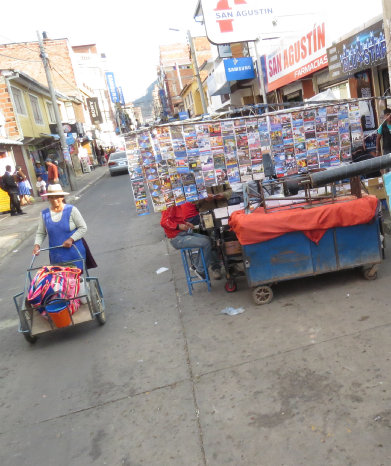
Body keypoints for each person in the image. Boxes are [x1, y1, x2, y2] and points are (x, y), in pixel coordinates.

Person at [160, 202, 222, 280]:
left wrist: (186, 223)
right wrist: (178, 226)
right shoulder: (170, 206)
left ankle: (196, 265)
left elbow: (175, 219)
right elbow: (164, 222)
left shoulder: (177, 205)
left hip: (183, 234)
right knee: (205, 243)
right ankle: (200, 270)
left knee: (207, 240)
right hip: (177, 238)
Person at [32, 184, 87, 270]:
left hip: (74, 253)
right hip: (57, 256)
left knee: (75, 279)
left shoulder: (72, 210)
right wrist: (37, 245)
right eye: (51, 197)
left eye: (57, 197)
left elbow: (83, 228)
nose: (54, 200)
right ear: (48, 199)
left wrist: (71, 239)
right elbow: (41, 233)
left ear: (62, 197)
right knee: (59, 280)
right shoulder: (44, 214)